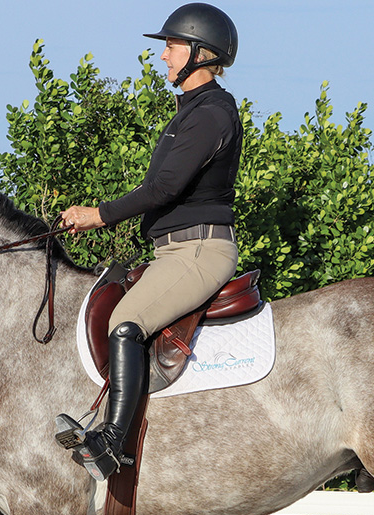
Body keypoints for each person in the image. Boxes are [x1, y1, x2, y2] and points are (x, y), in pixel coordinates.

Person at [55, 3, 243, 481]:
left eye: (171, 46)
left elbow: (163, 190)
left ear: (201, 53)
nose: (163, 55)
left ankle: (112, 443)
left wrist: (98, 215)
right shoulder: (191, 113)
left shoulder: (210, 114)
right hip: (174, 249)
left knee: (126, 322)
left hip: (199, 250)